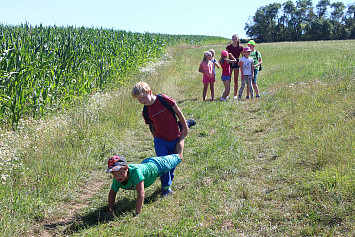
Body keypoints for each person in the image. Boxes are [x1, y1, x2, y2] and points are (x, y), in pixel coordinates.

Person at [132, 82, 195, 197]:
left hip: (174, 136)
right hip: (160, 140)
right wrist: (155, 138)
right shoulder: (146, 112)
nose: (142, 101)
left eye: (143, 97)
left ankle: (185, 124)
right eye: (139, 100)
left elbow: (178, 112)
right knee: (163, 164)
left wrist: (185, 128)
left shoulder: (163, 100)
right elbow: (151, 126)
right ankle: (166, 188)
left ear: (149, 92)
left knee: (174, 161)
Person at [107, 135, 185, 216]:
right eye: (114, 173)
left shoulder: (135, 173)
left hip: (157, 165)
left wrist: (137, 213)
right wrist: (110, 209)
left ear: (126, 168)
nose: (118, 176)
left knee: (179, 156)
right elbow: (112, 193)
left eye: (120, 172)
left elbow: (141, 193)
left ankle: (182, 134)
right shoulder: (117, 180)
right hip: (147, 165)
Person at [226, 34, 244, 99]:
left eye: (235, 39)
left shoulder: (240, 47)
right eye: (233, 39)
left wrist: (241, 62)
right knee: (229, 79)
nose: (234, 40)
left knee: (235, 79)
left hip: (237, 62)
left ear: (237, 39)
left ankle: (235, 95)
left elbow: (243, 56)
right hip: (230, 62)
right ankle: (227, 94)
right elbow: (225, 54)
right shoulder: (229, 47)